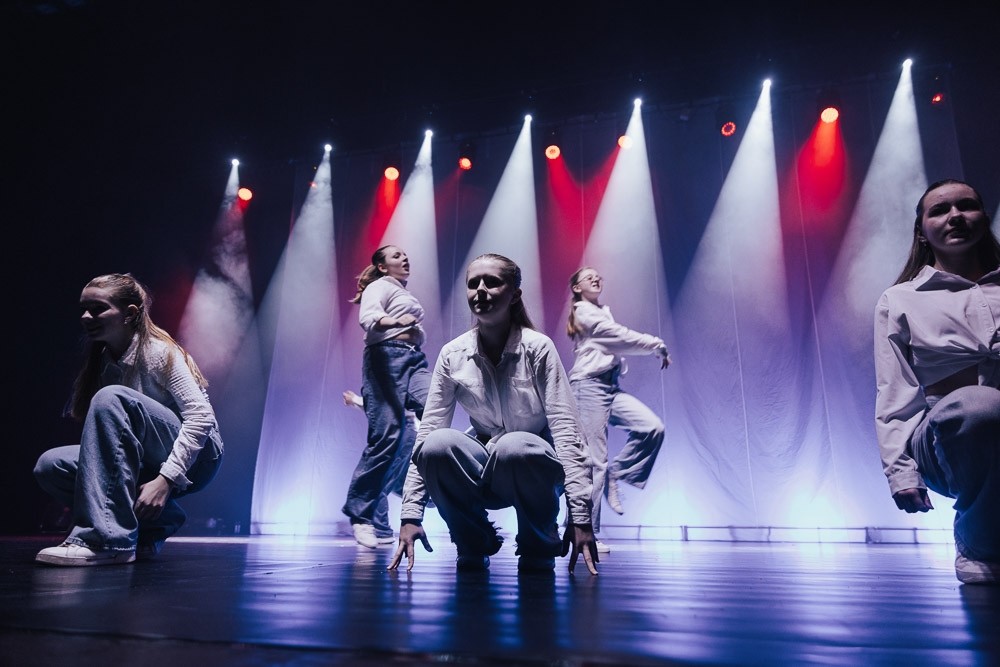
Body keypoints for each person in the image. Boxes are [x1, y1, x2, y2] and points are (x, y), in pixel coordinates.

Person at [388, 253, 598, 575]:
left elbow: (567, 430)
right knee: (436, 445)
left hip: (537, 471)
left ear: (514, 294)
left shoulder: (538, 348)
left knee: (516, 445)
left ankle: (538, 544)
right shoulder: (453, 354)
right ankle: (473, 541)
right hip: (486, 469)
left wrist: (580, 516)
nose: (481, 290)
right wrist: (410, 514)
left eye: (492, 282)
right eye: (473, 284)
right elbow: (428, 430)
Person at [34, 273, 224, 566]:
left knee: (112, 397)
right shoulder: (104, 360)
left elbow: (201, 417)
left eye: (98, 309)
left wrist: (166, 480)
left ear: (130, 313)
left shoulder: (158, 352)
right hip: (149, 457)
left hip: (198, 459)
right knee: (51, 466)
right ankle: (158, 523)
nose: (86, 317)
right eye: (84, 309)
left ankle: (108, 541)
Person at [874, 179, 1000, 585]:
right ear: (922, 231)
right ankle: (979, 544)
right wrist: (901, 473)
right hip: (944, 442)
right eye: (941, 210)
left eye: (967, 206)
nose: (956, 216)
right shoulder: (900, 299)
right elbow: (895, 391)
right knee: (979, 406)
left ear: (984, 218)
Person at [566, 267, 670, 553]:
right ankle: (586, 533)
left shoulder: (601, 311)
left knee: (652, 428)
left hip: (610, 387)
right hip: (588, 387)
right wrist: (656, 345)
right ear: (576, 288)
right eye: (589, 277)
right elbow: (618, 336)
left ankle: (618, 472)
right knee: (592, 462)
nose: (596, 278)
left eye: (599, 276)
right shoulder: (584, 312)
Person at [342, 245, 431, 548]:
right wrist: (396, 322)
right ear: (382, 266)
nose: (404, 258)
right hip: (386, 357)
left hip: (414, 359)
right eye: (396, 255)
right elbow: (368, 318)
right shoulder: (379, 286)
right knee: (386, 439)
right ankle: (361, 516)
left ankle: (440, 481)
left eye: (406, 254)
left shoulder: (403, 293)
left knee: (435, 404)